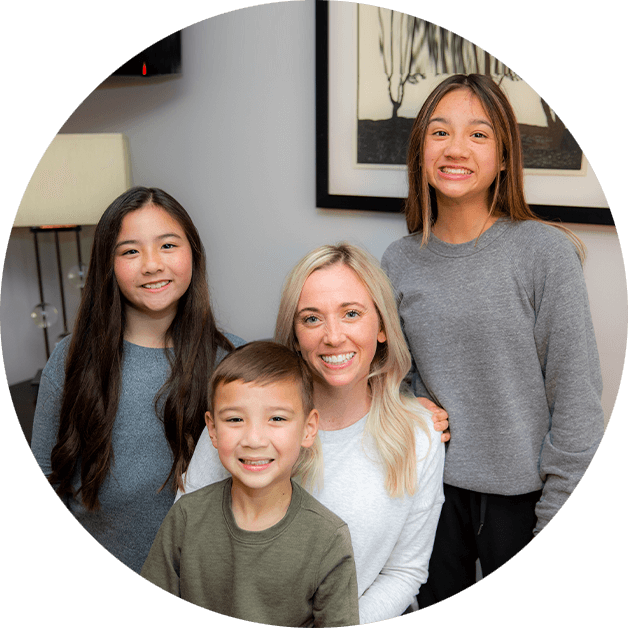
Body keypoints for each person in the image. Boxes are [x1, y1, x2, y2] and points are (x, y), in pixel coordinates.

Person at [381, 74, 605, 607]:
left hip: (527, 501)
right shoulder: (398, 260)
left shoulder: (543, 253)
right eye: (440, 132)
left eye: (478, 135)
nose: (456, 148)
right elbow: (394, 376)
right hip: (431, 492)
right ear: (420, 151)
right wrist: (412, 404)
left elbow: (576, 399)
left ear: (504, 159)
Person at [179, 243, 446, 623]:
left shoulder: (420, 434)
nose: (333, 337)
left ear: (383, 327)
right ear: (295, 334)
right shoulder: (245, 415)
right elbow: (188, 533)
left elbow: (405, 573)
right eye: (311, 319)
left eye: (351, 314)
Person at [30, 186, 244, 574]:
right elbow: (47, 470)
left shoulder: (233, 361)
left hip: (205, 583)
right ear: (107, 265)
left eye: (167, 245)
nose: (151, 264)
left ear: (193, 253)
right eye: (130, 251)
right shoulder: (70, 359)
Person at [141, 341, 360, 626]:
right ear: (213, 430)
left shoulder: (328, 538)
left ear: (308, 429)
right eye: (235, 419)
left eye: (277, 418)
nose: (254, 440)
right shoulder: (186, 517)